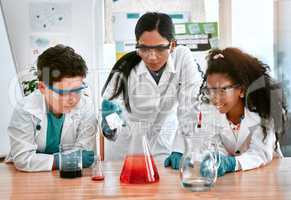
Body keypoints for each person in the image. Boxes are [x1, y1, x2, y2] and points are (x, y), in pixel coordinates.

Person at [101, 12, 201, 168]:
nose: (152, 57)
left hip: (161, 150)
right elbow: (111, 112)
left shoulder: (182, 58)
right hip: (124, 153)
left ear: (172, 45)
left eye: (160, 48)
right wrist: (110, 127)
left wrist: (180, 148)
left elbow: (190, 107)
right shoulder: (124, 68)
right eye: (144, 48)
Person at [5, 44, 97, 172]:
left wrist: (68, 160)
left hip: (70, 177)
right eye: (63, 92)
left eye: (77, 90)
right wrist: (60, 161)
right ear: (42, 88)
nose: (72, 98)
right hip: (27, 178)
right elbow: (23, 159)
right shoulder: (26, 109)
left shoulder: (85, 106)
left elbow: (85, 153)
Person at [199, 48, 288, 177]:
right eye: (210, 90)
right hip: (233, 180)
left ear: (241, 90)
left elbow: (260, 154)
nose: (215, 97)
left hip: (267, 176)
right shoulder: (212, 113)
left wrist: (231, 163)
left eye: (223, 90)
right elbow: (215, 147)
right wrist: (216, 159)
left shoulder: (263, 113)